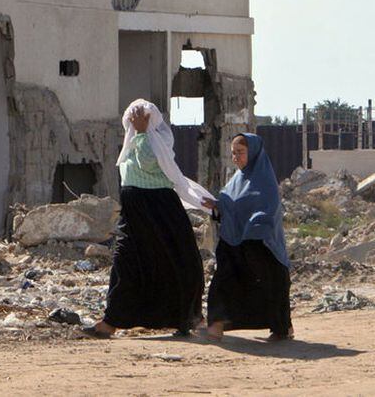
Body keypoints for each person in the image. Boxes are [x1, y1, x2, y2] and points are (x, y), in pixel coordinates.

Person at [83, 99, 214, 338]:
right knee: (126, 264)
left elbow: (150, 162)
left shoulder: (157, 142)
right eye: (132, 117)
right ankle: (110, 321)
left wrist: (143, 132)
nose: (133, 121)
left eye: (140, 116)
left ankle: (190, 318)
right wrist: (138, 133)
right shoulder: (131, 144)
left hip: (161, 210)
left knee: (181, 260)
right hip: (134, 213)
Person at [202, 133, 293, 342]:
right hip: (233, 240)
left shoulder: (265, 180)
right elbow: (230, 205)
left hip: (261, 245)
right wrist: (216, 205)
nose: (236, 158)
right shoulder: (237, 180)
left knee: (270, 283)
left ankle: (281, 327)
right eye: (233, 153)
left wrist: (256, 224)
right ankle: (216, 324)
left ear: (253, 152)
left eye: (240, 153)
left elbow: (268, 208)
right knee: (224, 279)